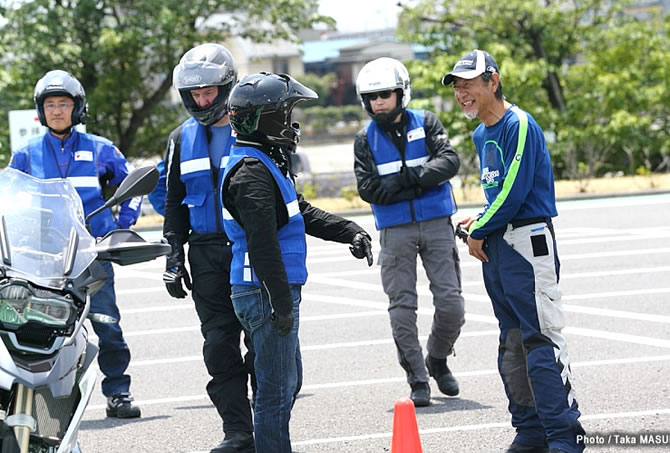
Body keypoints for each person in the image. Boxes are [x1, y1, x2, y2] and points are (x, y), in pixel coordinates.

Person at [221, 72, 373, 453]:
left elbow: (298, 211)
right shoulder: (250, 173)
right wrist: (281, 305)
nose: (293, 124)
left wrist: (349, 230)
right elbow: (263, 246)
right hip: (263, 292)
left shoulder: (263, 161)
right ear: (265, 118)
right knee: (275, 392)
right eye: (286, 114)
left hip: (268, 292)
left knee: (288, 382)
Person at [442, 49, 585, 453]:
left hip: (528, 244)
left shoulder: (518, 123)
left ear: (494, 80)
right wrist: (480, 221)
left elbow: (516, 190)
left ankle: (564, 436)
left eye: (469, 84)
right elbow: (498, 192)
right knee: (512, 342)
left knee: (540, 339)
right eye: (457, 86)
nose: (462, 93)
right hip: (499, 246)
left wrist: (481, 227)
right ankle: (530, 430)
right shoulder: (479, 133)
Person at [9, 70, 143, 418]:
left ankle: (119, 392)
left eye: (63, 104)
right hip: (42, 261)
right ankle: (37, 403)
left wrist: (120, 228)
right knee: (37, 327)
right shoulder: (25, 155)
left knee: (106, 322)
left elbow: (132, 188)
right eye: (49, 104)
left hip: (90, 258)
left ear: (77, 108)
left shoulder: (100, 148)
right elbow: (8, 201)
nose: (56, 111)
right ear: (41, 110)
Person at [353, 57, 466, 407]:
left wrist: (406, 181)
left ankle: (438, 358)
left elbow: (449, 161)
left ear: (401, 93)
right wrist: (420, 183)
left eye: (385, 94)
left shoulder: (427, 122)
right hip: (394, 231)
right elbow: (369, 189)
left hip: (436, 223)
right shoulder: (364, 140)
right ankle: (418, 377)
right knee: (402, 307)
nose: (379, 103)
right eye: (372, 97)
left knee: (452, 305)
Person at [161, 43, 257, 453]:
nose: (202, 101)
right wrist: (173, 255)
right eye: (194, 94)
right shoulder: (180, 139)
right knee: (219, 346)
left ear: (227, 88)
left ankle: (268, 421)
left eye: (209, 93)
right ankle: (237, 431)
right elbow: (173, 202)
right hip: (204, 253)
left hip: (251, 249)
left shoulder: (254, 127)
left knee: (263, 344)